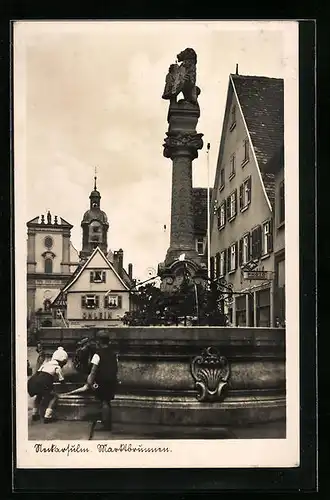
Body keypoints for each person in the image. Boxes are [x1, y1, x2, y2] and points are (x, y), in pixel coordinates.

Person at [27, 346, 68, 423]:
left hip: (35, 380)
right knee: (53, 397)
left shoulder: (46, 364)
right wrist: (65, 387)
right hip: (45, 382)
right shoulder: (57, 367)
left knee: (38, 396)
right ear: (62, 361)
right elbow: (61, 379)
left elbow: (38, 372)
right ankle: (47, 416)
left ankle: (34, 413)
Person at [87, 332, 118, 431]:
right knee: (107, 402)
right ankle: (107, 421)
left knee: (104, 402)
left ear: (99, 341)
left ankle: (106, 425)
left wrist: (90, 382)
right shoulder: (113, 353)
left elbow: (93, 370)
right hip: (112, 380)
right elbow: (116, 368)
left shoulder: (97, 354)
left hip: (102, 381)